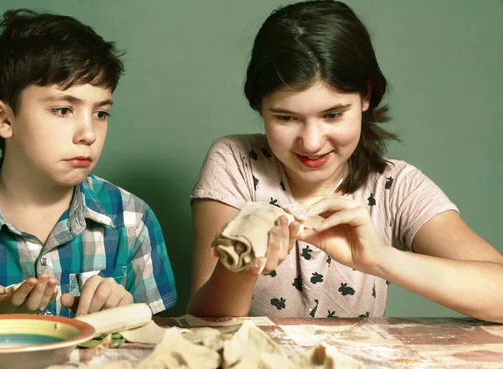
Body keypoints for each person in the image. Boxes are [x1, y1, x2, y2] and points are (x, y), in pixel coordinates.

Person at [188, 0, 503, 322]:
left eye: (333, 114)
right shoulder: (235, 162)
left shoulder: (395, 186)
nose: (311, 142)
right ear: (259, 105)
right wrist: (245, 268)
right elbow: (204, 321)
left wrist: (378, 258)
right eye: (286, 118)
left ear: (366, 95)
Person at [0, 9, 177, 319]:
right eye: (62, 110)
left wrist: (129, 318)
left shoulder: (132, 220)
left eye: (100, 113)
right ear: (4, 118)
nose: (88, 133)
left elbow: (160, 346)